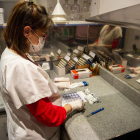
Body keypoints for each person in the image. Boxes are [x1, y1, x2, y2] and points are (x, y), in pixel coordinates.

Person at [0, 1, 84, 140]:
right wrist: (73, 105)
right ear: (27, 31)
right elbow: (50, 117)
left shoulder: (9, 53)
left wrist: (52, 86)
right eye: (42, 35)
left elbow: (25, 91)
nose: (43, 39)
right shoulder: (20, 66)